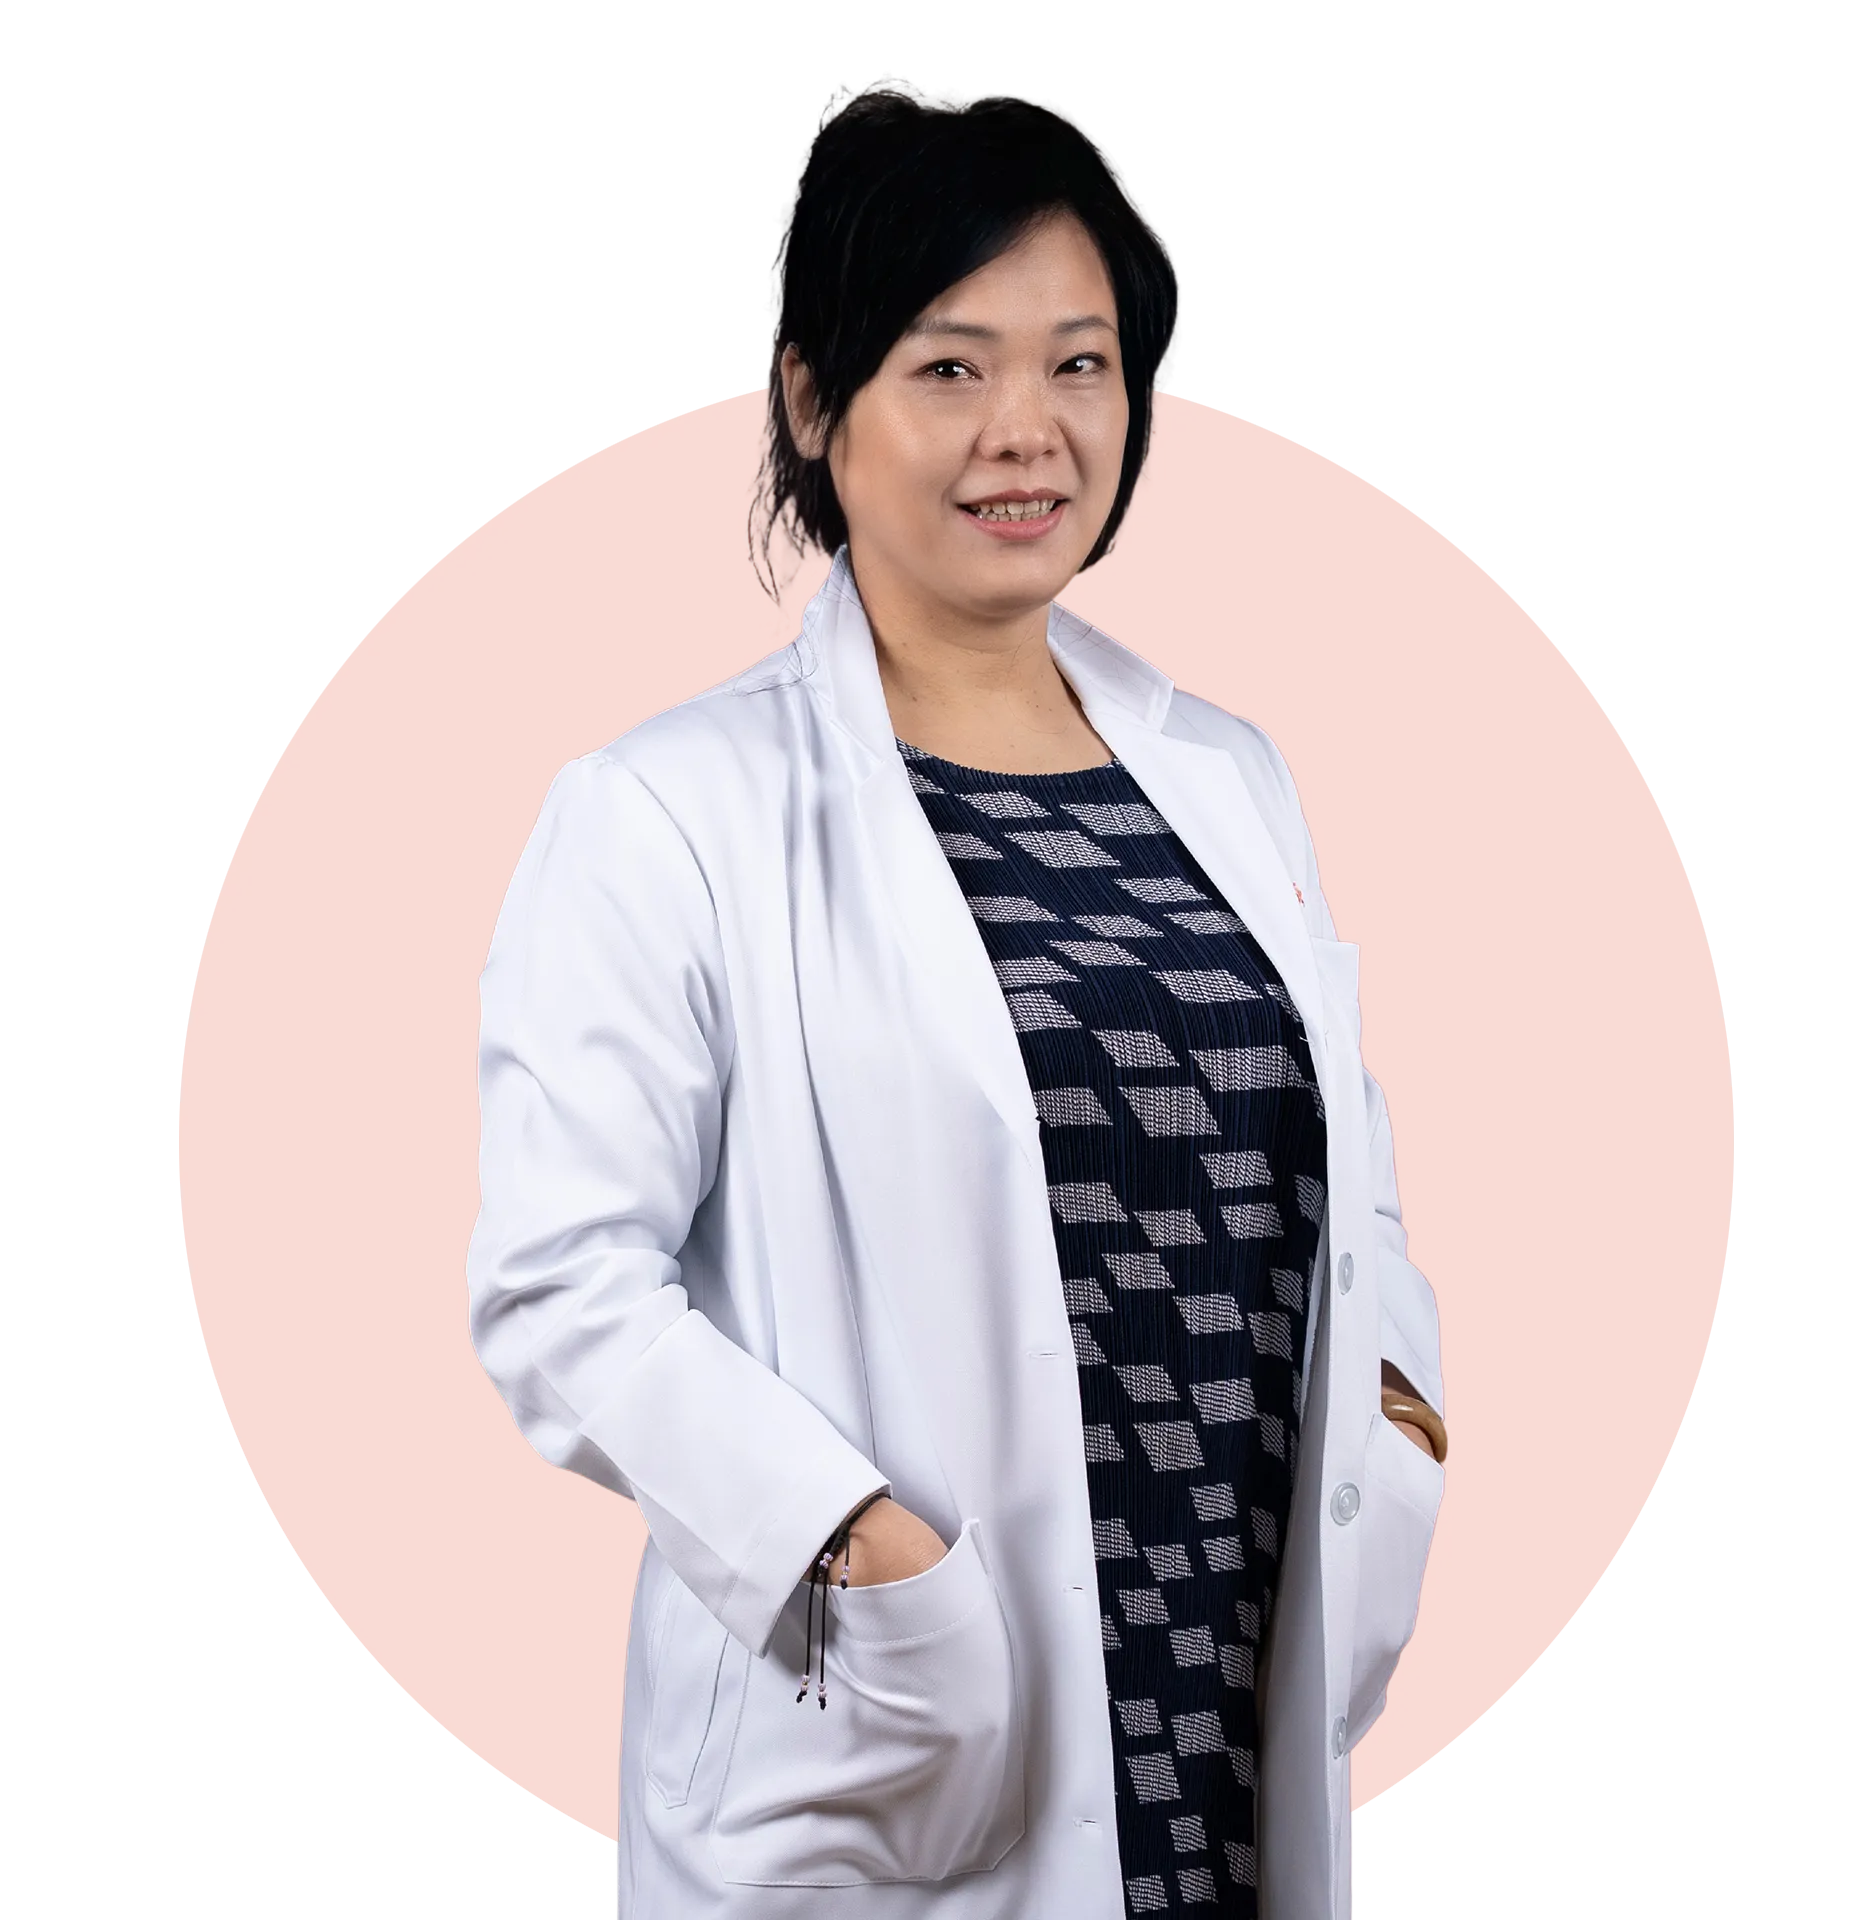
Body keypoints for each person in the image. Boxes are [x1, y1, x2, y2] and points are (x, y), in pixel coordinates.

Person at [466, 84, 1448, 1920]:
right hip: (903, 1736)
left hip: (1227, 1685)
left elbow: (1348, 1180)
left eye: (1080, 364)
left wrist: (1401, 1429)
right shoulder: (666, 811)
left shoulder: (1231, 777)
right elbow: (560, 1283)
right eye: (948, 367)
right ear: (811, 400)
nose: (1028, 430)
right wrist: (858, 1551)